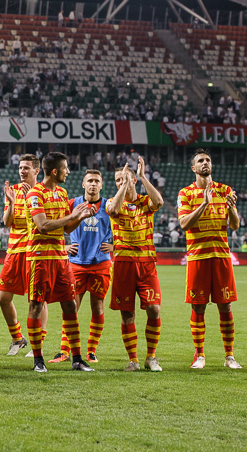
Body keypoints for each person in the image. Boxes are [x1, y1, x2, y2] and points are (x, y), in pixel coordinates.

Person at [24, 151, 94, 373]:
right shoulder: (35, 194)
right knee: (36, 306)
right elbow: (43, 226)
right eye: (65, 168)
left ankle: (76, 358)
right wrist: (73, 216)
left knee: (70, 306)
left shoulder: (63, 193)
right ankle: (38, 360)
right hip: (40, 258)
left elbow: (65, 227)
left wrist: (78, 218)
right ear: (55, 171)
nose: (68, 172)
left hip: (61, 259)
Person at [178, 149, 242, 369]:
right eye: (200, 161)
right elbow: (184, 224)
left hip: (221, 257)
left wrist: (231, 207)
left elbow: (234, 225)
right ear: (193, 168)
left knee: (225, 307)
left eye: (208, 160)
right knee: (198, 308)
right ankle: (200, 356)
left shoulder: (225, 190)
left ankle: (230, 356)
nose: (205, 163)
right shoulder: (185, 193)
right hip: (198, 258)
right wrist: (204, 204)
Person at [106, 159, 164, 372]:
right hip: (123, 264)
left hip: (146, 263)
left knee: (154, 309)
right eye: (116, 180)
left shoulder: (144, 202)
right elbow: (113, 210)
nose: (119, 182)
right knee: (127, 313)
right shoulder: (112, 201)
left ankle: (151, 357)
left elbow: (158, 203)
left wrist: (142, 177)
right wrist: (123, 187)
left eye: (123, 178)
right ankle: (133, 360)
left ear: (132, 179)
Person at [65, 169, 113, 364]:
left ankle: (91, 351)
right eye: (90, 181)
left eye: (96, 181)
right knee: (71, 307)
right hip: (76, 263)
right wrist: (64, 245)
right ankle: (64, 350)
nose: (93, 184)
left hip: (100, 263)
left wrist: (115, 244)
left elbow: (126, 226)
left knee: (98, 307)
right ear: (83, 184)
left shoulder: (109, 206)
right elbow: (55, 223)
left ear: (101, 185)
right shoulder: (73, 204)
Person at [0, 154, 42, 356]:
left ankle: (36, 344)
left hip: (34, 250)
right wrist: (13, 202)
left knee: (37, 300)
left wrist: (30, 198)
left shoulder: (42, 192)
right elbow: (7, 222)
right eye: (21, 167)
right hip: (14, 251)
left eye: (27, 168)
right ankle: (18, 338)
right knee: (3, 297)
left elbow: (42, 223)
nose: (22, 171)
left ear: (37, 171)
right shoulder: (13, 190)